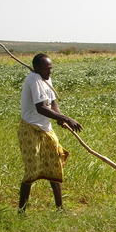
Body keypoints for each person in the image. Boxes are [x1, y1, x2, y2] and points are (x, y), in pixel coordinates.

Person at [18, 53, 83, 212]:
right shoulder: (33, 80)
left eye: (51, 68)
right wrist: (66, 118)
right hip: (30, 128)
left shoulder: (46, 79)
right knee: (32, 169)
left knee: (55, 162)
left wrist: (59, 118)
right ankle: (21, 211)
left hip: (46, 128)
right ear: (37, 68)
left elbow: (52, 103)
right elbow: (41, 107)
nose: (50, 71)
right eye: (47, 69)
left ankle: (60, 209)